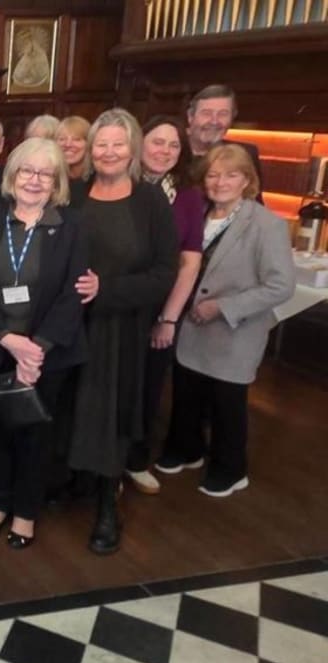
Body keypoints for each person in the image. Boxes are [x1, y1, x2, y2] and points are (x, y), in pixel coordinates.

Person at [0, 138, 88, 550]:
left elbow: (74, 293)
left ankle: (26, 511)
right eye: (26, 171)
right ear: (12, 176)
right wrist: (6, 338)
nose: (34, 180)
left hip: (46, 354)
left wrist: (38, 348)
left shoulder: (71, 227)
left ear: (56, 183)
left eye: (45, 173)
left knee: (36, 434)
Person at [68, 109, 178, 555]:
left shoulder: (150, 202)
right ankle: (72, 481)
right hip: (70, 324)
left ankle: (107, 506)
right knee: (70, 406)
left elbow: (165, 272)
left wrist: (106, 290)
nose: (108, 152)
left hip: (121, 328)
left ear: (131, 149)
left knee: (110, 413)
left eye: (117, 144)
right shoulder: (73, 195)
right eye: (101, 144)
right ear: (90, 150)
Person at [160, 144, 294, 496]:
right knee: (187, 393)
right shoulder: (198, 213)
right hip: (190, 324)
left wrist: (223, 307)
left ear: (247, 180)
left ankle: (230, 468)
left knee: (226, 403)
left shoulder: (267, 224)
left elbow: (281, 285)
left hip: (233, 331)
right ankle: (187, 449)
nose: (221, 182)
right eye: (213, 175)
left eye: (231, 175)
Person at [124, 116, 206, 495]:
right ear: (139, 143)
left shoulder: (189, 197)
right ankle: (102, 462)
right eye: (158, 142)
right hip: (116, 299)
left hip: (160, 305)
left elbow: (189, 262)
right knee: (109, 384)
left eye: (174, 145)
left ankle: (136, 460)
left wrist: (169, 319)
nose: (165, 151)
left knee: (148, 387)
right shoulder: (120, 184)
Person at [186, 84, 263, 193]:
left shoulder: (245, 154)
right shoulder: (168, 152)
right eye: (206, 113)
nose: (214, 121)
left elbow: (253, 201)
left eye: (223, 114)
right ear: (190, 116)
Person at [57, 116, 91, 184]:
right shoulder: (51, 179)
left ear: (89, 143)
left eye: (76, 139)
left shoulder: (99, 179)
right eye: (62, 139)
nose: (68, 144)